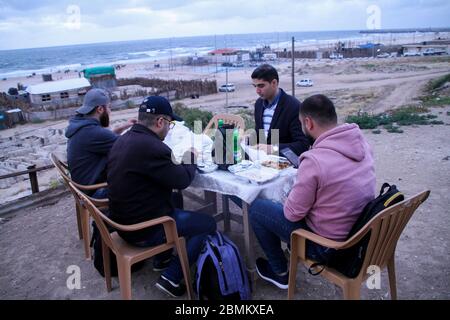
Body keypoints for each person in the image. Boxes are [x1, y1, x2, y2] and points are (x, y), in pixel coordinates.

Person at [249, 94, 376, 289]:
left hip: (328, 247)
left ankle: (279, 271)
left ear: (308, 123)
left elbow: (292, 214)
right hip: (360, 233)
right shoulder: (362, 144)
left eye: (301, 123)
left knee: (257, 208)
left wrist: (290, 195)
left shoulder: (314, 160)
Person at [107, 95, 216, 298]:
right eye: (170, 123)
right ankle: (171, 276)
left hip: (121, 222)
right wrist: (191, 155)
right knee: (208, 224)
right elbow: (182, 180)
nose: (169, 128)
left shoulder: (123, 140)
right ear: (160, 122)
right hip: (142, 231)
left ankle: (162, 258)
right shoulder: (153, 147)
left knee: (176, 200)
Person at [65, 88, 135, 198]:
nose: (110, 112)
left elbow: (104, 138)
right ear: (100, 109)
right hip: (96, 192)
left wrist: (121, 127)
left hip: (86, 187)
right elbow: (129, 146)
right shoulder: (92, 132)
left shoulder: (81, 126)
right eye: (109, 108)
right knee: (142, 179)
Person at [251, 64, 310, 156]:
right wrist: (249, 139)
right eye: (255, 86)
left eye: (261, 86)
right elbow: (262, 136)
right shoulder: (259, 104)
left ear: (274, 83)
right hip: (262, 162)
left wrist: (274, 148)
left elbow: (302, 145)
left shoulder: (294, 106)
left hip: (285, 165)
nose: (257, 91)